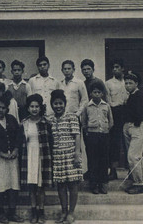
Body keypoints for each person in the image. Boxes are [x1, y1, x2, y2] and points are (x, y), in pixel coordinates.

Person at [48, 90, 82, 224]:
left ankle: (71, 213)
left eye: (60, 103)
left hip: (70, 154)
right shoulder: (50, 119)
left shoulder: (71, 117)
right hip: (57, 155)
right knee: (60, 185)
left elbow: (77, 135)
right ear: (52, 105)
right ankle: (63, 211)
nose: (58, 106)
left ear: (65, 104)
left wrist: (77, 154)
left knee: (72, 184)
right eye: (55, 104)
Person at [18, 94, 53, 224]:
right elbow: (21, 141)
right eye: (32, 106)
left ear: (40, 108)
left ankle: (41, 212)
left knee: (41, 187)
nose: (34, 109)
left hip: (42, 155)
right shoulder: (24, 123)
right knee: (31, 186)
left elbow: (50, 142)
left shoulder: (46, 123)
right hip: (28, 155)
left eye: (36, 106)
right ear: (28, 108)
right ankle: (33, 212)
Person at [80, 82, 113, 194]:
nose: (97, 94)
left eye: (99, 92)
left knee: (104, 160)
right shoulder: (87, 107)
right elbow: (83, 122)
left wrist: (106, 130)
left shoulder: (106, 106)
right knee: (93, 160)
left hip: (104, 135)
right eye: (95, 92)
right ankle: (93, 184)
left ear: (102, 94)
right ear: (90, 94)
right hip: (92, 136)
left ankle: (103, 184)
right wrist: (88, 132)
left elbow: (111, 121)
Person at [122, 71, 143, 195]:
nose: (127, 85)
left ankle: (139, 184)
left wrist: (134, 124)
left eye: (130, 83)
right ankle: (138, 180)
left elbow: (140, 114)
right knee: (135, 156)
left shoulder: (140, 96)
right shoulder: (130, 95)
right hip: (128, 126)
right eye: (126, 83)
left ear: (136, 83)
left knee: (133, 156)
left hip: (137, 127)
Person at [105, 58, 129, 180]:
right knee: (114, 143)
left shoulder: (129, 81)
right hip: (115, 112)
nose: (115, 69)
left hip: (127, 112)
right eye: (113, 67)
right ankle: (113, 171)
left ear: (122, 68)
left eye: (117, 67)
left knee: (127, 141)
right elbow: (108, 102)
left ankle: (130, 170)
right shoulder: (108, 83)